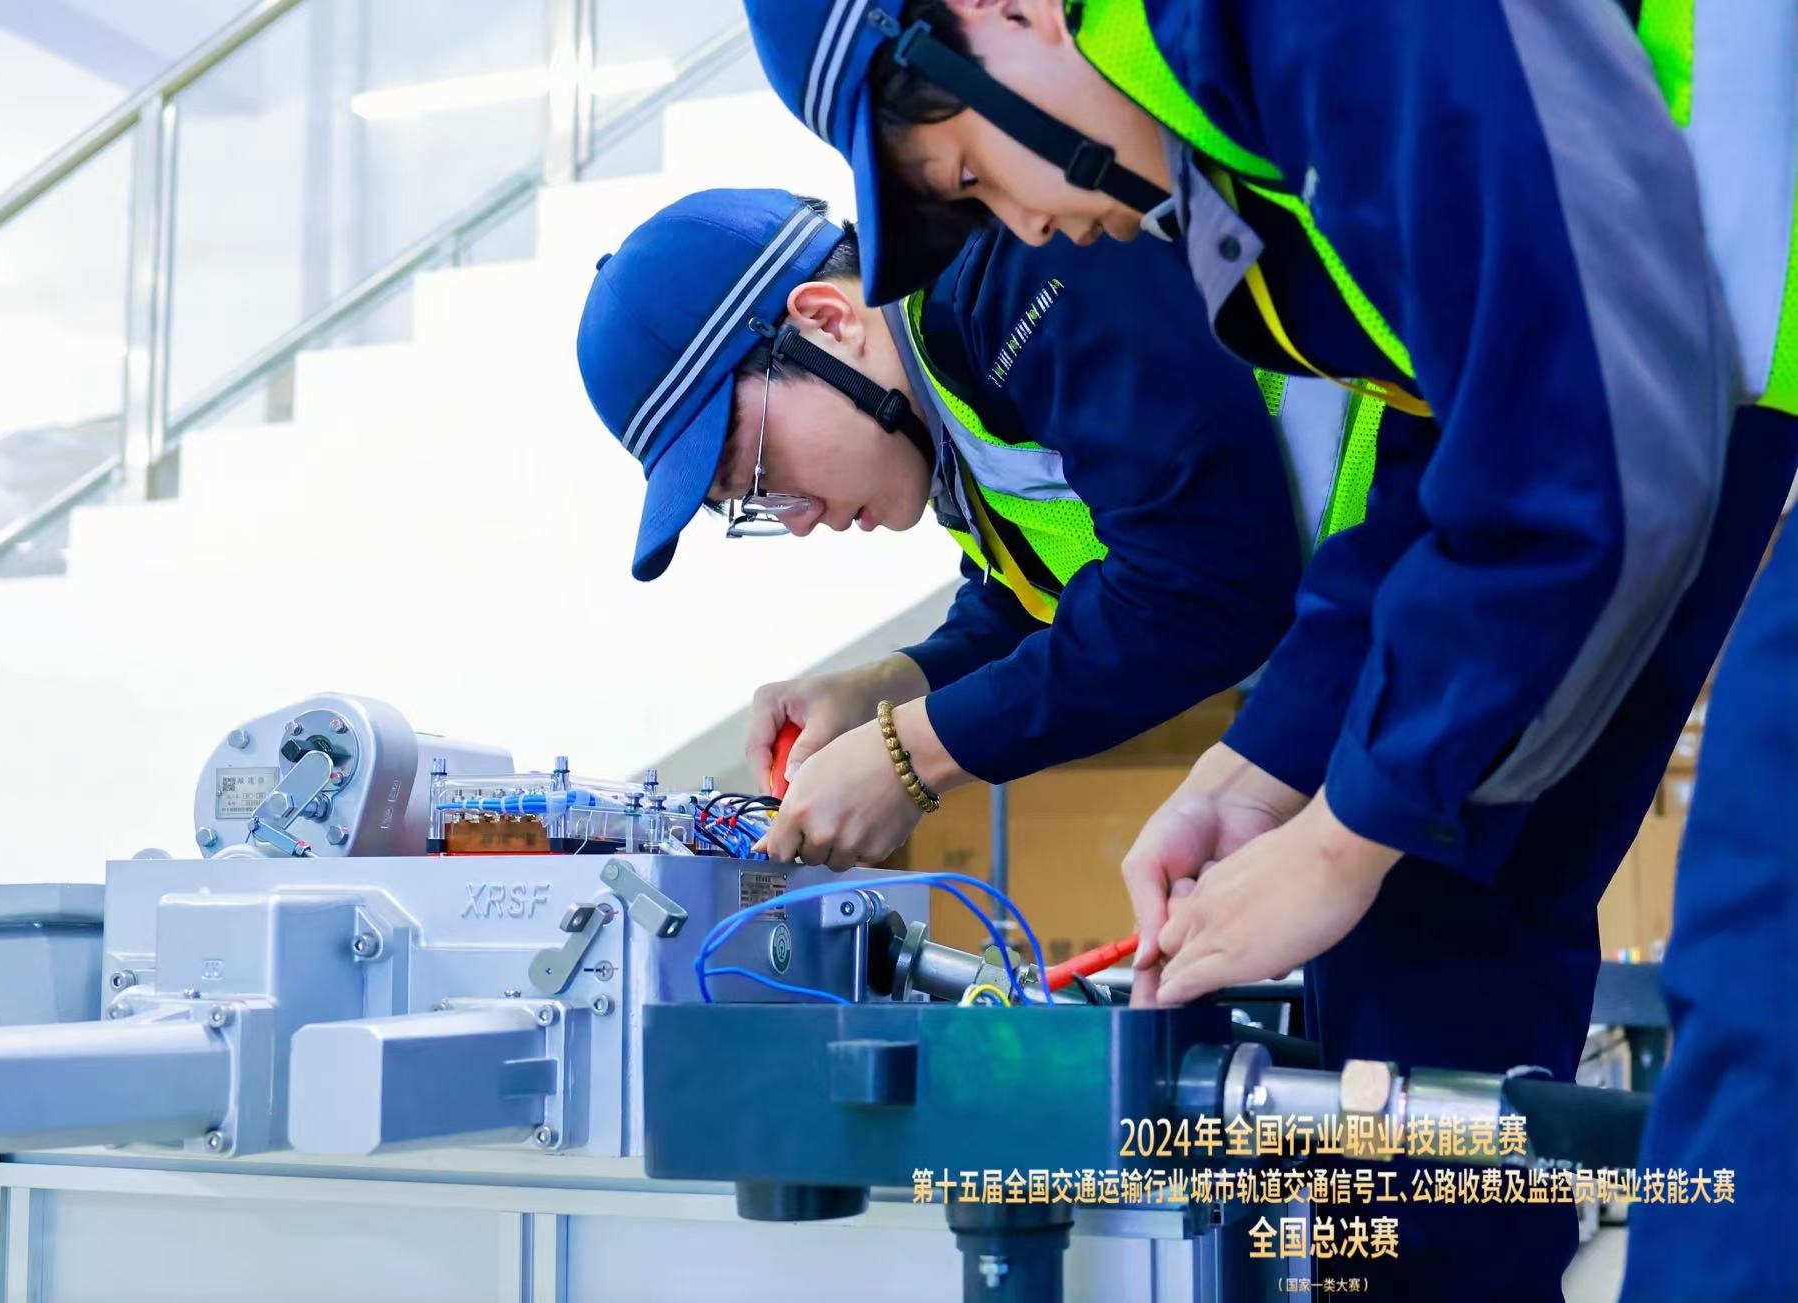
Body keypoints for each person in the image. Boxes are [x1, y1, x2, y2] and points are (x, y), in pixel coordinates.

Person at [741, 1, 1798, 1295]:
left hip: (1700, 389)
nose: (1023, 227)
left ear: (1001, 9)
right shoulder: (1245, 129)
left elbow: (1546, 450)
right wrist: (1261, 768)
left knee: (1746, 1006)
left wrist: (1344, 834)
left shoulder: (1303, 35)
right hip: (1717, 387)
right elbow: (1429, 453)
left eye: (971, 174)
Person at [575, 186, 1379, 867]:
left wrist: (909, 755)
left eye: (756, 470)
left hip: (1434, 559)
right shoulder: (951, 400)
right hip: (1383, 629)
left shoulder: (1025, 277)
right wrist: (893, 683)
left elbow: (1201, 585)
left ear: (825, 321)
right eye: (749, 507)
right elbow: (1050, 589)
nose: (798, 519)